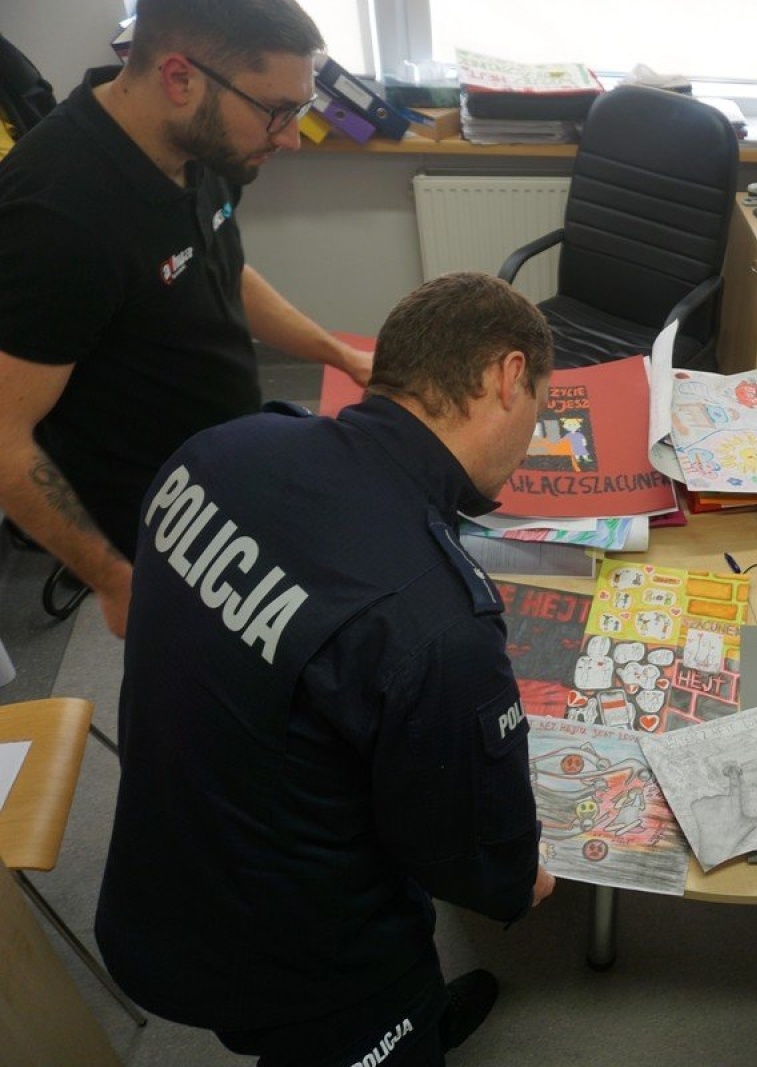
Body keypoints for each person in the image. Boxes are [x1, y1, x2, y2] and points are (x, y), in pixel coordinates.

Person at [95, 273, 556, 1067]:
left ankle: (417, 1016)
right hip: (306, 962)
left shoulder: (219, 450)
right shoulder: (437, 619)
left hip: (157, 878)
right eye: (538, 413)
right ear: (508, 377)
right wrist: (523, 878)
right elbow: (476, 863)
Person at [0, 0, 371, 638]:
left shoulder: (199, 144)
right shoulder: (57, 215)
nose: (289, 138)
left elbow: (219, 267)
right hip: (162, 519)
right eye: (277, 111)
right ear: (179, 78)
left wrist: (339, 355)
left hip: (227, 462)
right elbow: (4, 437)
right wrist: (113, 580)